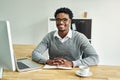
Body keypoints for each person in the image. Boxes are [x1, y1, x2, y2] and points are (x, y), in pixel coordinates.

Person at [32, 7, 99, 67]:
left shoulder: (80, 37)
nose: (61, 22)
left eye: (65, 20)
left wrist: (71, 63)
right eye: (58, 19)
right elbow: (35, 53)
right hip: (53, 70)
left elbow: (94, 58)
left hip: (73, 72)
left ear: (70, 21)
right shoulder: (49, 36)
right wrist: (48, 61)